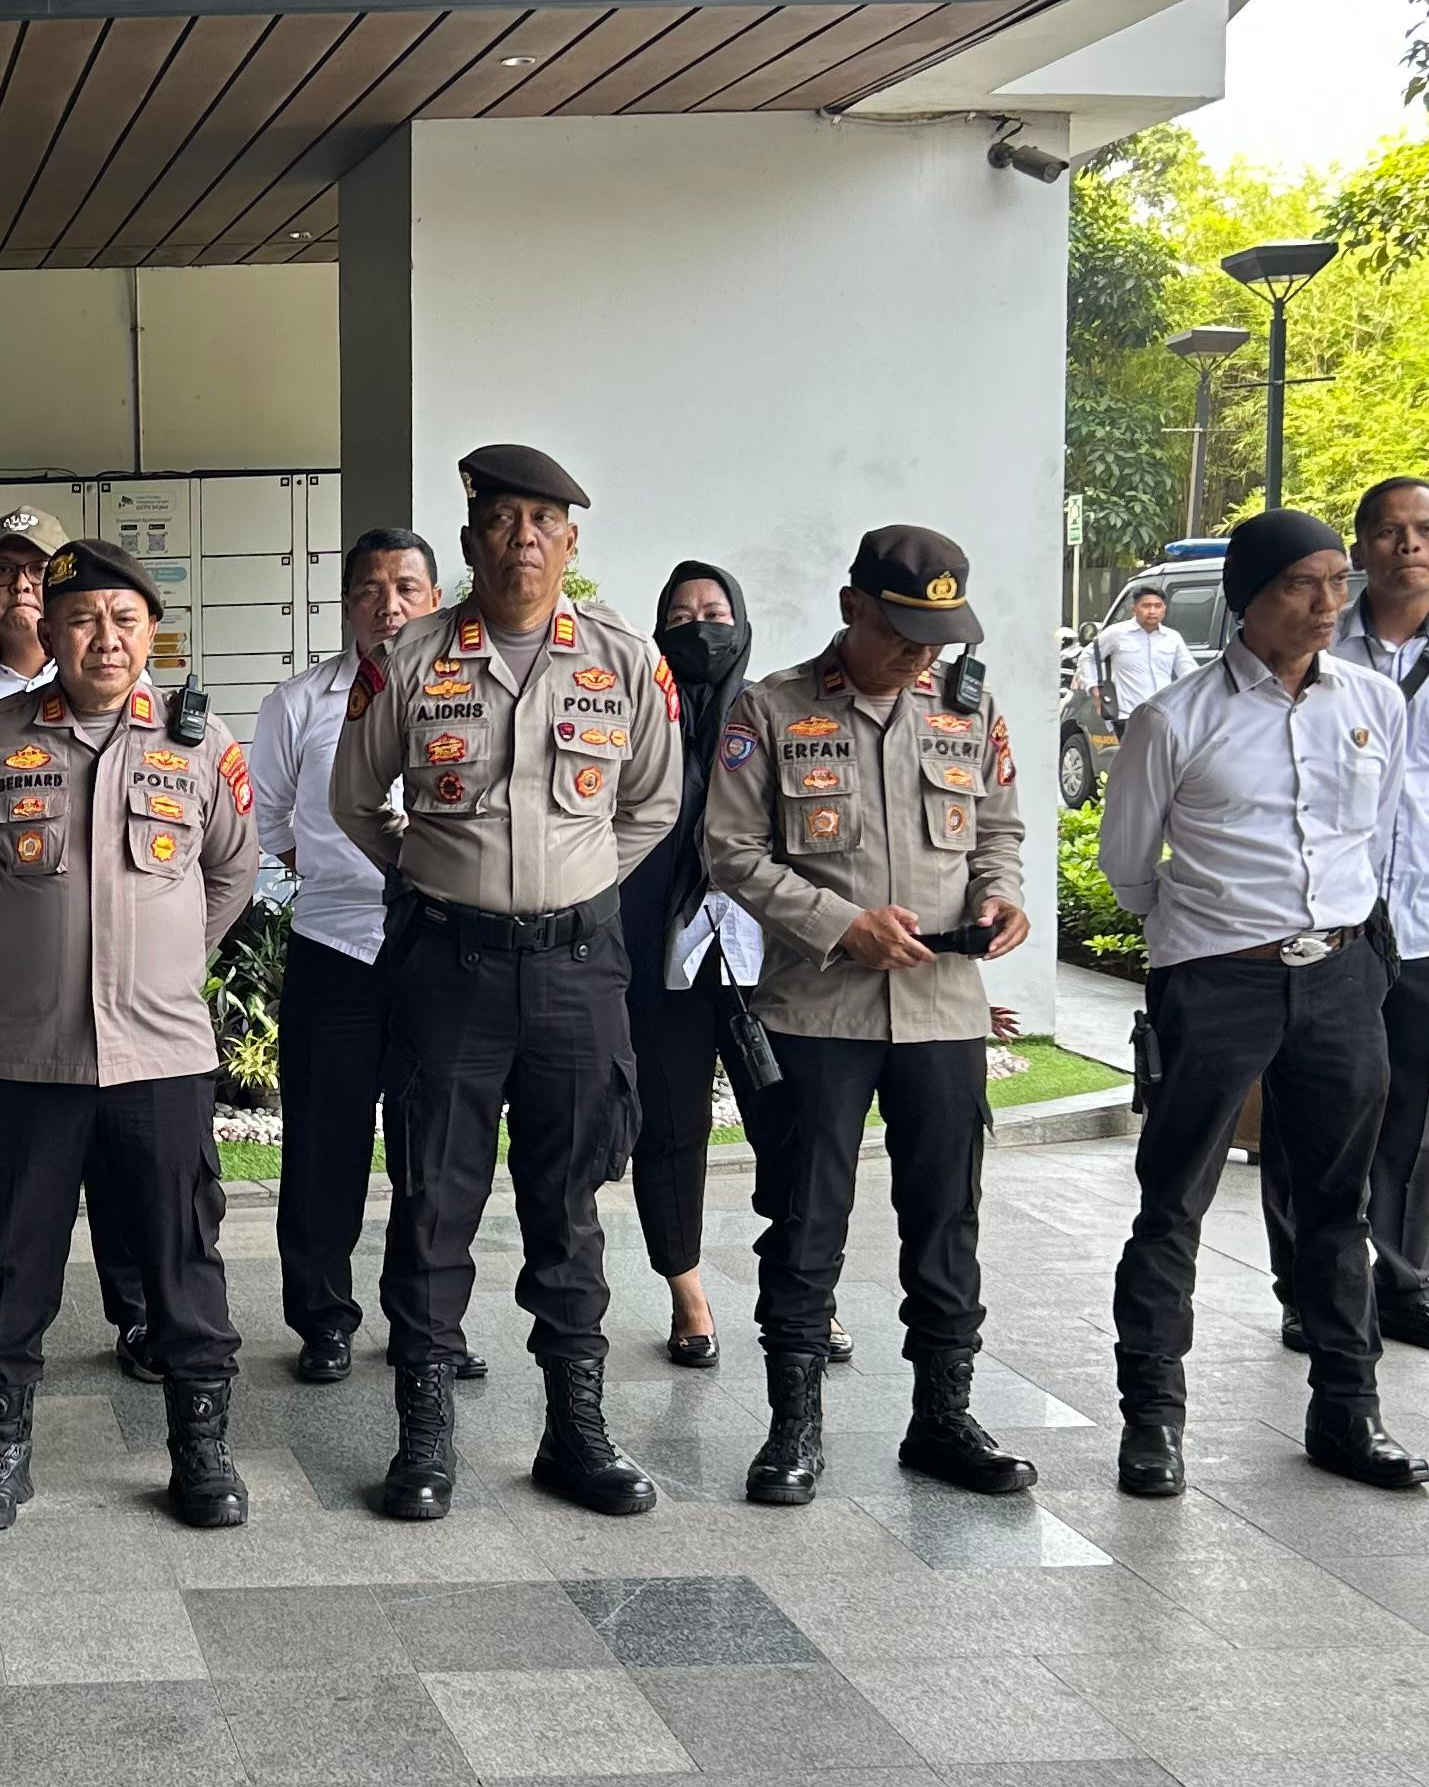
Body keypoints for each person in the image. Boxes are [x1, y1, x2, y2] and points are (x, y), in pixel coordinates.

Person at [331, 444, 683, 1522]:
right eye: (503, 520)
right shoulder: (415, 656)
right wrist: (444, 877)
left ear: (572, 542)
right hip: (451, 968)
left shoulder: (626, 664)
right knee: (434, 1198)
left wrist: (570, 887)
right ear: (473, 532)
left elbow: (654, 806)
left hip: (580, 970)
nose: (524, 539)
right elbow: (357, 801)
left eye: (546, 522)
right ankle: (425, 1436)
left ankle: (575, 1433)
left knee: (568, 1205)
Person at [700, 528, 1041, 1503]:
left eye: (938, 636)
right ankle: (793, 1431)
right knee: (806, 1227)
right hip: (819, 1011)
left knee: (947, 1223)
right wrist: (841, 925)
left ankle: (943, 1418)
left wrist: (1000, 895)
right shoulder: (770, 710)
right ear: (853, 606)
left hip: (942, 1010)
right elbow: (730, 850)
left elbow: (999, 830)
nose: (921, 655)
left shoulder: (967, 710)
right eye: (903, 632)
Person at [0, 539, 259, 1531]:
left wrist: (160, 967)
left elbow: (233, 874)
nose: (103, 639)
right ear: (49, 632)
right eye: (81, 620)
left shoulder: (202, 745)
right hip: (27, 1057)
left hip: (160, 1056)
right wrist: (29, 977)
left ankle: (201, 1452)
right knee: (10, 1259)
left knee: (181, 1256)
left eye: (123, 620)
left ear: (152, 633)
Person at [1096, 508, 1426, 1498]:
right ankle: (1152, 1421)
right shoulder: (1176, 717)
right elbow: (1126, 868)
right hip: (1218, 978)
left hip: (1341, 974)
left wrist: (1348, 946)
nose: (1327, 603)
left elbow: (1380, 834)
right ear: (1249, 596)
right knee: (1174, 1202)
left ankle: (1347, 1412)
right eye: (1300, 584)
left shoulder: (1372, 700)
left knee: (1338, 1206)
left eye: (1337, 582)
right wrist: (1210, 937)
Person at [1264, 478, 1429, 1360]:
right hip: (1322, 919)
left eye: (1425, 531)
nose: (1406, 546)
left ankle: (1408, 1283)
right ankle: (1308, 1291)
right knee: (1312, 1105)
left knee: (1415, 1108)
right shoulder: (1309, 640)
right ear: (1359, 551)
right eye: (1386, 532)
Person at [0, 504, 160, 1395]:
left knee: (119, 1148)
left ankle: (136, 1313)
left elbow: (214, 872)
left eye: (34, 568)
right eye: (4, 569)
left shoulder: (129, 690)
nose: (19, 583)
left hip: (112, 988)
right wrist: (4, 957)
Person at [251, 527, 445, 1384]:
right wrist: (341, 874)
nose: (388, 604)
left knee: (432, 1149)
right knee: (324, 1145)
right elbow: (270, 822)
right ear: (347, 604)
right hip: (334, 945)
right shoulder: (299, 703)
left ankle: (425, 1320)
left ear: (435, 599)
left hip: (443, 950)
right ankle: (322, 1317)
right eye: (370, 589)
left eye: (406, 587)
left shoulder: (465, 693)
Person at [617, 561, 777, 1372]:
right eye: (679, 617)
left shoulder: (772, 717)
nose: (698, 629)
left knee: (790, 1126)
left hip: (764, 956)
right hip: (662, 955)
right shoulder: (636, 715)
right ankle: (688, 1296)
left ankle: (799, 1292)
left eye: (714, 612)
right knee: (669, 1130)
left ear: (741, 625)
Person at [1093, 583, 1190, 723]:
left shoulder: (1172, 638)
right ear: (1134, 609)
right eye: (1146, 606)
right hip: (1128, 716)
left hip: (1164, 716)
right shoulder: (1115, 634)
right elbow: (1089, 657)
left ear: (1164, 609)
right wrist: (1093, 688)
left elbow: (1188, 671)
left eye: (1158, 606)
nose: (1152, 611)